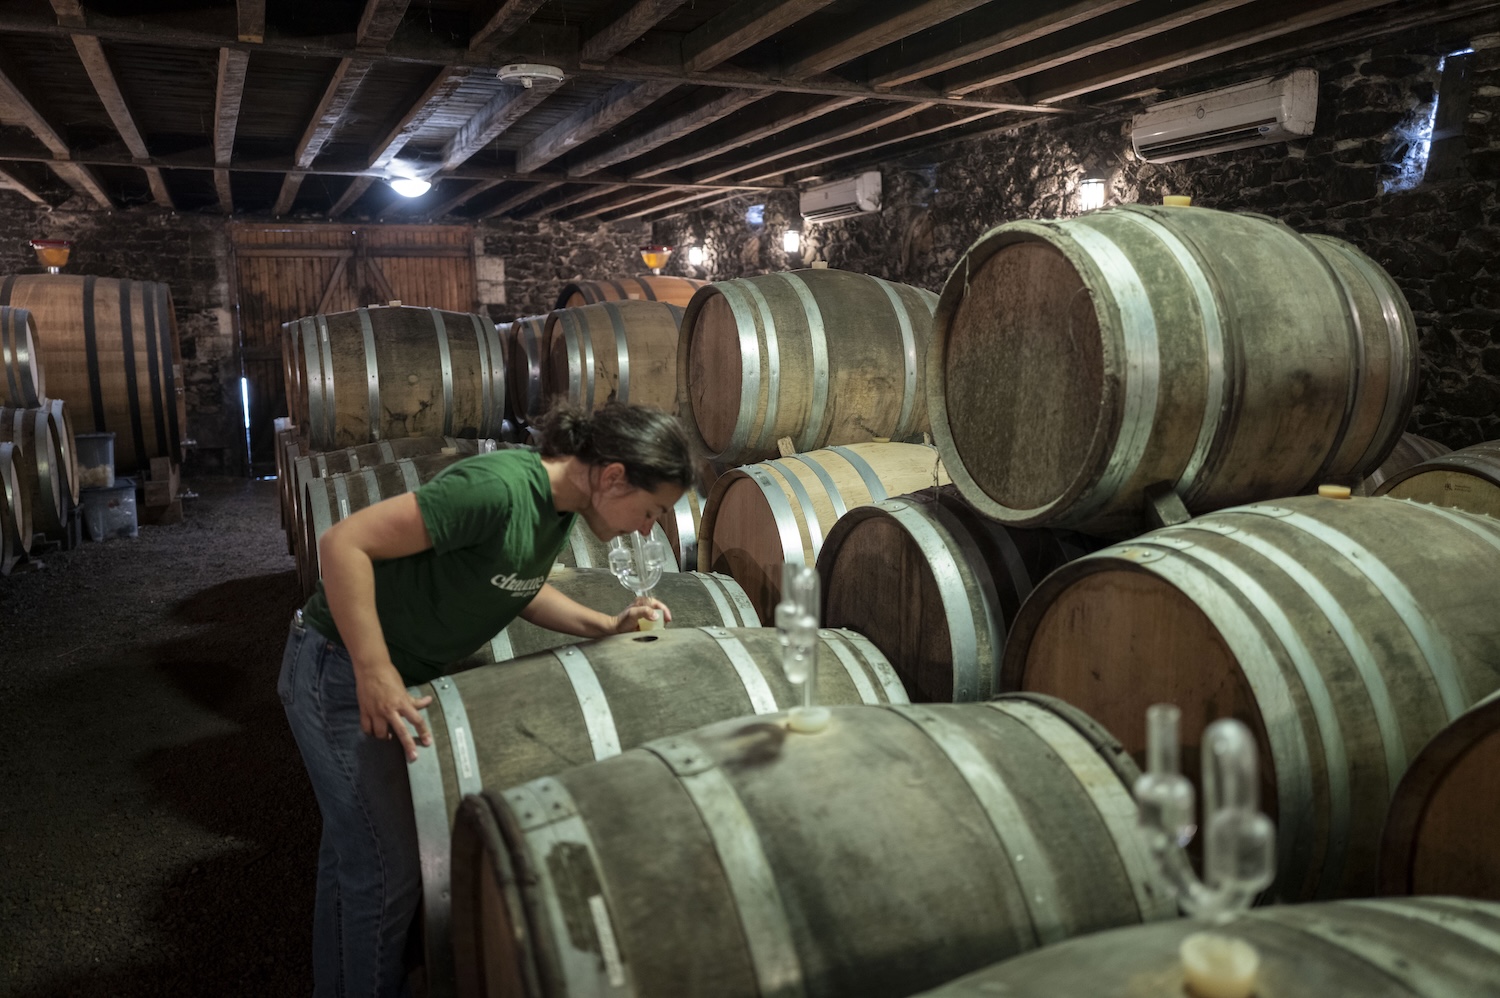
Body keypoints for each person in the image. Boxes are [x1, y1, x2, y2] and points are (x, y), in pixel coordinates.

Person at [277, 399, 697, 998]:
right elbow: (343, 543)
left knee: (356, 854)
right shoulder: (497, 489)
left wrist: (606, 625)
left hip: (381, 675)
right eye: (651, 511)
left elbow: (516, 585)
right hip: (336, 671)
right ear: (613, 476)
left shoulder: (560, 509)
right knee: (387, 870)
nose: (647, 528)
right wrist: (374, 669)